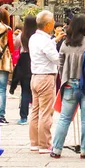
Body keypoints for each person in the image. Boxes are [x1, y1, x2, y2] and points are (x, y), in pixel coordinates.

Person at [51, 14, 85, 158]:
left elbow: (60, 65)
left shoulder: (65, 43)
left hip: (69, 84)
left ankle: (56, 149)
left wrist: (65, 79)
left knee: (64, 118)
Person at [28, 10, 62, 153]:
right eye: (53, 22)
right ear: (48, 25)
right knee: (46, 112)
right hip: (46, 77)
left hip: (35, 76)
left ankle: (34, 142)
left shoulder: (34, 38)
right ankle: (45, 144)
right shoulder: (45, 41)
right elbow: (56, 59)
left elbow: (45, 47)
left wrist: (55, 40)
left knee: (35, 111)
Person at [10, 15, 36, 125]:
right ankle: (37, 116)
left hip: (24, 62)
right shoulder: (36, 36)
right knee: (36, 92)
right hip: (35, 62)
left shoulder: (21, 36)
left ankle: (23, 117)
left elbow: (15, 47)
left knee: (25, 91)